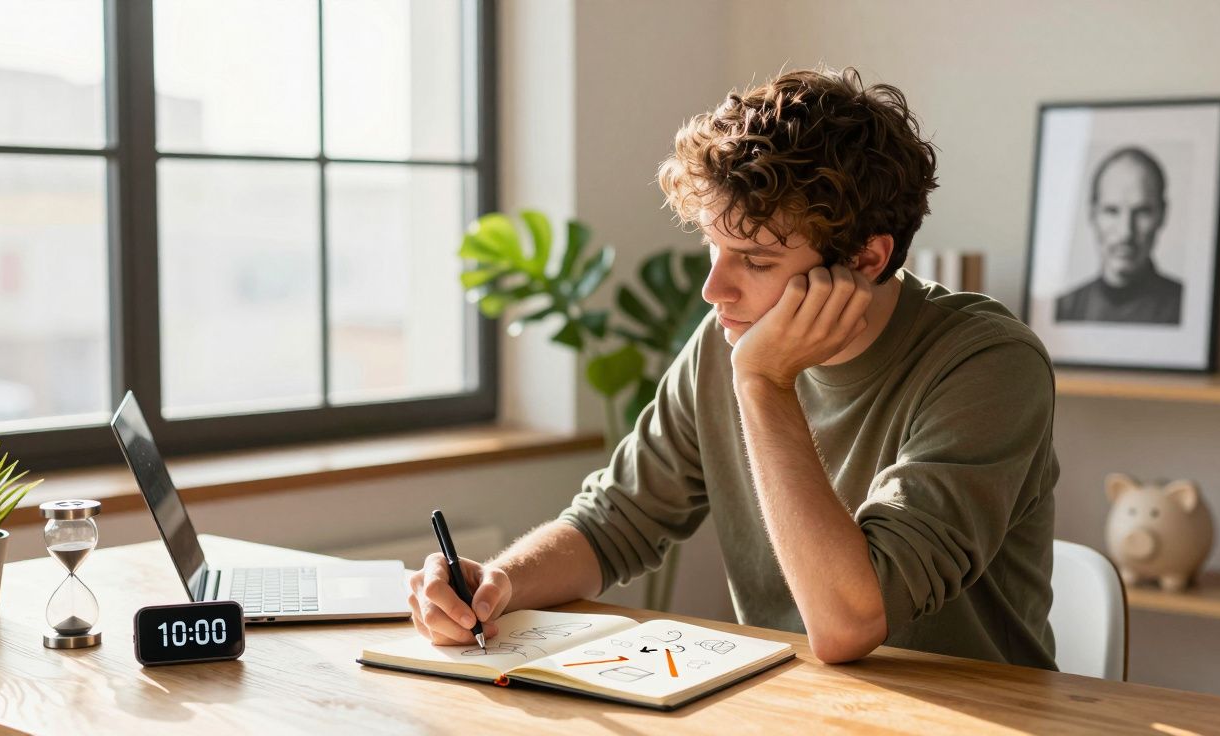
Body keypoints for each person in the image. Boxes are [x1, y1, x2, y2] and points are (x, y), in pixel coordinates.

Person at [408, 66, 1060, 669]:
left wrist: (764, 384)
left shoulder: (988, 365)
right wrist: (499, 584)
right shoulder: (731, 341)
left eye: (754, 260)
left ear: (865, 259)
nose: (713, 290)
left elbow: (851, 624)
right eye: (714, 249)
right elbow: (615, 523)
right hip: (790, 709)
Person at [1055, 147, 1183, 324]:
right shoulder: (1064, 309)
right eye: (1111, 211)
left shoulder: (1184, 308)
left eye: (1142, 212)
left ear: (1162, 214)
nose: (1126, 232)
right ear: (1092, 214)